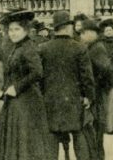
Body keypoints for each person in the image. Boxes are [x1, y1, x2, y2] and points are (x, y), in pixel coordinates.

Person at [0, 10, 52, 160]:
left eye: (17, 29)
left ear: (25, 30)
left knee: (25, 140)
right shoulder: (17, 47)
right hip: (17, 99)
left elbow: (37, 72)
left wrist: (16, 87)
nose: (13, 33)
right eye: (10, 30)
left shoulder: (28, 47)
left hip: (26, 100)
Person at [38, 11, 95, 160]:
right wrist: (89, 96)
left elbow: (39, 77)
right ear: (68, 27)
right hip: (73, 99)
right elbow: (86, 77)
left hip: (50, 100)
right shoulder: (79, 48)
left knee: (51, 138)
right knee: (79, 134)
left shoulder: (43, 48)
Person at [80, 19, 113, 160]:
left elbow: (106, 70)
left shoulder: (96, 48)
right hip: (97, 93)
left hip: (97, 95)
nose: (81, 35)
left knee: (95, 130)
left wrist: (96, 84)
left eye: (83, 33)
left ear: (92, 33)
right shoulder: (93, 46)